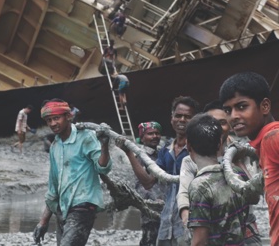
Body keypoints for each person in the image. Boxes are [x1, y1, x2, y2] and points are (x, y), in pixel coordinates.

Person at [177, 100, 262, 245]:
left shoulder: (200, 186)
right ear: (218, 144)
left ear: (188, 146)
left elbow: (199, 241)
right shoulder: (236, 172)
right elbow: (183, 194)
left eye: (221, 122)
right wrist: (188, 218)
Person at [33, 99, 112, 246]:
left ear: (68, 116)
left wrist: (104, 145)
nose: (52, 124)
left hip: (83, 206)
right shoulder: (55, 146)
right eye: (49, 120)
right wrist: (43, 222)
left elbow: (103, 167)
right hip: (62, 208)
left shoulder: (86, 137)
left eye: (56, 118)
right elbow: (53, 188)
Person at [127, 96, 199, 246]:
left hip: (191, 222)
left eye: (187, 117)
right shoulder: (166, 150)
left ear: (194, 120)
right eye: (178, 115)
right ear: (171, 118)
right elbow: (148, 183)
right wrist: (128, 153)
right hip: (166, 222)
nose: (182, 120)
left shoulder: (199, 148)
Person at [219, 71, 279, 245]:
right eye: (228, 110)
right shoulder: (262, 144)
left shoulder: (272, 138)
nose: (233, 116)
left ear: (265, 106)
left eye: (242, 106)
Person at [119, 121, 166, 245]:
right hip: (151, 206)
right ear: (142, 137)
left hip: (165, 206)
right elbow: (142, 183)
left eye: (157, 133)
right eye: (150, 134)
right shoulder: (140, 156)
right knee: (150, 237)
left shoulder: (162, 154)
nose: (155, 136)